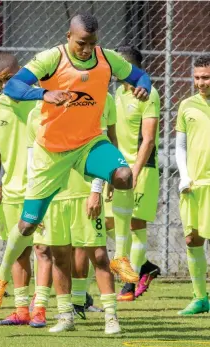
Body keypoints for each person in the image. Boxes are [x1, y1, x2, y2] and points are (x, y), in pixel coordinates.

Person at [0, 13, 152, 333]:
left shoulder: (107, 58)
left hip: (90, 144)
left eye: (92, 43)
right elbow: (16, 87)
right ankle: (1, 274)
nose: (87, 50)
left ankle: (123, 257)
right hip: (51, 152)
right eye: (81, 43)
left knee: (125, 177)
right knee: (29, 223)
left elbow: (139, 76)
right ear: (68, 36)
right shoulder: (52, 58)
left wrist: (142, 87)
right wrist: (43, 94)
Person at [29, 94, 119, 334]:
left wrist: (96, 190)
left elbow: (100, 151)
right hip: (54, 196)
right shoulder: (34, 115)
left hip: (84, 195)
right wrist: (35, 204)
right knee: (59, 257)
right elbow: (35, 161)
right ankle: (65, 315)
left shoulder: (84, 110)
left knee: (99, 255)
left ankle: (111, 316)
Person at [0, 52, 36, 324]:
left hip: (43, 189)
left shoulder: (41, 100)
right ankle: (22, 310)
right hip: (11, 189)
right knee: (19, 251)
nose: (5, 86)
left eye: (9, 79)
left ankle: (44, 308)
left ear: (22, 72)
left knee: (45, 250)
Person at [107, 46, 161, 301]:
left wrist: (136, 171)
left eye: (124, 66)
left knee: (136, 224)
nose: (119, 71)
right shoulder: (117, 91)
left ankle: (130, 284)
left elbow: (148, 139)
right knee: (111, 223)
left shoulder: (149, 95)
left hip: (142, 168)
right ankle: (145, 267)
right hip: (119, 169)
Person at [175, 54, 210, 315]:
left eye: (206, 77)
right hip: (194, 184)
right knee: (191, 239)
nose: (201, 82)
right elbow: (180, 145)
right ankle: (200, 298)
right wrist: (184, 175)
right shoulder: (186, 105)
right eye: (197, 77)